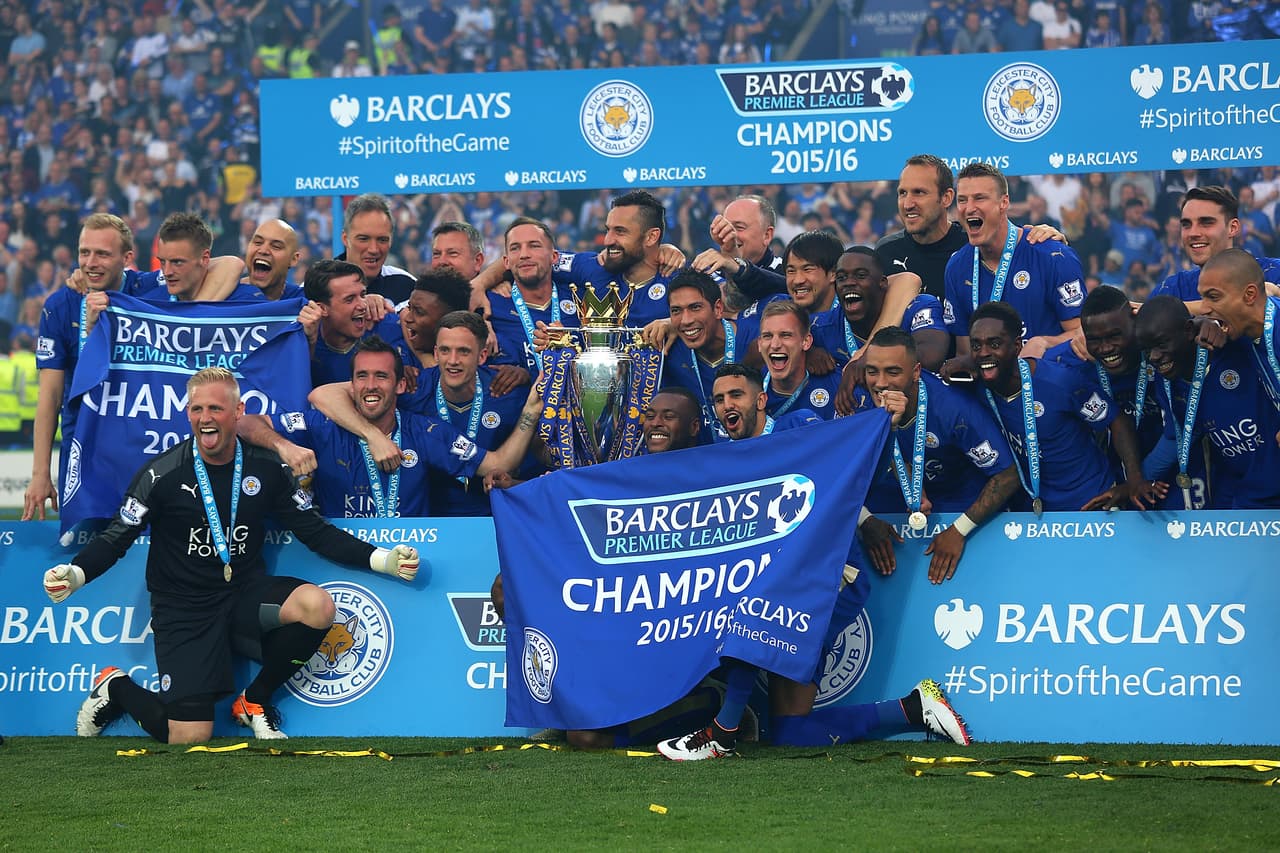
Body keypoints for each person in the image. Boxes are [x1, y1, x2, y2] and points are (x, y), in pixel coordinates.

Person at [45, 367, 421, 743]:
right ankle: (116, 688)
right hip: (184, 607)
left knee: (317, 606)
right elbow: (117, 537)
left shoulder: (266, 467)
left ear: (238, 411)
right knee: (188, 736)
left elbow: (315, 531)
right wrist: (76, 574)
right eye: (196, 409)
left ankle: (254, 701)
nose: (205, 419)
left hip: (243, 594)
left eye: (215, 409)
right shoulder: (161, 474)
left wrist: (383, 559)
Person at [657, 363, 970, 760]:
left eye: (736, 395)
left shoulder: (798, 427)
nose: (726, 405)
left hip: (831, 579)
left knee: (753, 604)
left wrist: (884, 427)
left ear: (761, 400)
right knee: (791, 731)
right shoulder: (728, 459)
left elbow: (851, 472)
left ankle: (723, 730)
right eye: (719, 399)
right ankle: (913, 710)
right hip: (785, 582)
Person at [241, 336, 544, 518]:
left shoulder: (426, 432)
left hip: (411, 562)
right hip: (338, 555)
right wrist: (284, 445)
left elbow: (498, 464)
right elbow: (244, 422)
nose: (370, 386)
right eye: (362, 376)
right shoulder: (322, 425)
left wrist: (529, 412)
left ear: (400, 385)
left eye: (381, 377)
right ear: (351, 384)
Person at [23, 214, 167, 521]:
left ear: (127, 258)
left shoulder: (149, 288)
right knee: (83, 554)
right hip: (84, 449)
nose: (91, 262)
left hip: (141, 447)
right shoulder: (60, 305)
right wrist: (39, 473)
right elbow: (49, 398)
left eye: (102, 254)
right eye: (84, 252)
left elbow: (224, 265)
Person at [859, 327, 1021, 582]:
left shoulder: (953, 409)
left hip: (961, 502)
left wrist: (959, 530)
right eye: (872, 371)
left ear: (915, 372)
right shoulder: (862, 401)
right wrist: (909, 485)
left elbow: (1008, 474)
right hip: (908, 500)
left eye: (893, 371)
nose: (880, 383)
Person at [968, 301, 1154, 512]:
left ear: (1017, 345)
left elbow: (1116, 420)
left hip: (1091, 502)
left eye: (994, 344)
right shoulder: (974, 387)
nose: (983, 352)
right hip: (1032, 510)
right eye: (976, 346)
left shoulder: (1060, 381)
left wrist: (1134, 479)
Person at [1136, 292, 1280, 509]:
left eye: (1161, 344)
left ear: (1188, 330)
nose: (1154, 356)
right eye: (1147, 350)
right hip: (1241, 495)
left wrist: (1209, 320)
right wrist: (1136, 479)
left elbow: (1265, 298)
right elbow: (1178, 437)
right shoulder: (1166, 382)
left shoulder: (1236, 345)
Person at [944, 162, 1084, 360]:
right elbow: (965, 351)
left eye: (980, 198)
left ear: (1004, 202)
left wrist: (1044, 343)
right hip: (991, 389)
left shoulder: (1053, 256)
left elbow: (1082, 335)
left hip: (1046, 385)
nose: (969, 208)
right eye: (962, 200)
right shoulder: (957, 267)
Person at [662, 269, 763, 441]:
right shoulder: (668, 350)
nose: (686, 320)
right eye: (676, 311)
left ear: (717, 308)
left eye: (695, 307)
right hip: (703, 461)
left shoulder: (758, 339)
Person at [814, 246, 949, 373]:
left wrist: (869, 364)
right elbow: (796, 339)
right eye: (841, 278)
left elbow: (931, 355)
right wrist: (808, 353)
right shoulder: (822, 324)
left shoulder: (918, 307)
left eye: (861, 275)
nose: (849, 282)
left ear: (883, 283)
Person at [1152, 186, 1280, 314]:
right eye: (1186, 225)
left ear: (1232, 228)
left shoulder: (1274, 272)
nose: (1193, 233)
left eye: (1206, 222)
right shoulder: (1174, 288)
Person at [487, 216, 580, 378]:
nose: (524, 254)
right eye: (515, 248)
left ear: (554, 256)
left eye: (534, 246)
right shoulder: (489, 306)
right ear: (506, 261)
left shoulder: (580, 300)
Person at [303, 259, 404, 387]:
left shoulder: (392, 328)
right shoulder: (305, 343)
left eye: (363, 295)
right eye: (350, 299)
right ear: (322, 309)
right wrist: (309, 344)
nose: (363, 305)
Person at [690, 194, 786, 302]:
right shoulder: (706, 273)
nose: (730, 233)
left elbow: (786, 287)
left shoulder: (788, 271)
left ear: (767, 235)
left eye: (739, 227)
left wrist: (737, 267)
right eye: (725, 226)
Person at [757, 300, 840, 420]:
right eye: (768, 336)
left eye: (785, 335)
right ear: (760, 344)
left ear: (806, 342)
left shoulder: (838, 385)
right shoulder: (750, 392)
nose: (775, 345)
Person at [338, 193, 416, 305]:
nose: (374, 249)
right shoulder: (316, 286)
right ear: (345, 239)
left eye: (382, 240)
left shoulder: (408, 286)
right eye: (364, 239)